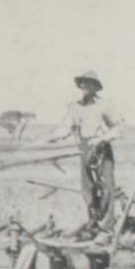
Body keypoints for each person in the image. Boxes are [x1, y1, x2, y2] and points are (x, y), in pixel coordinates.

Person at [43, 70, 124, 231]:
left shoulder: (103, 106)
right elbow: (65, 128)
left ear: (95, 86)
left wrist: (101, 139)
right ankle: (93, 221)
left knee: (107, 187)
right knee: (87, 188)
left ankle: (107, 226)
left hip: (101, 148)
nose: (84, 86)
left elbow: (118, 128)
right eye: (83, 83)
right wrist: (52, 136)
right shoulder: (75, 107)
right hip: (84, 148)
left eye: (88, 83)